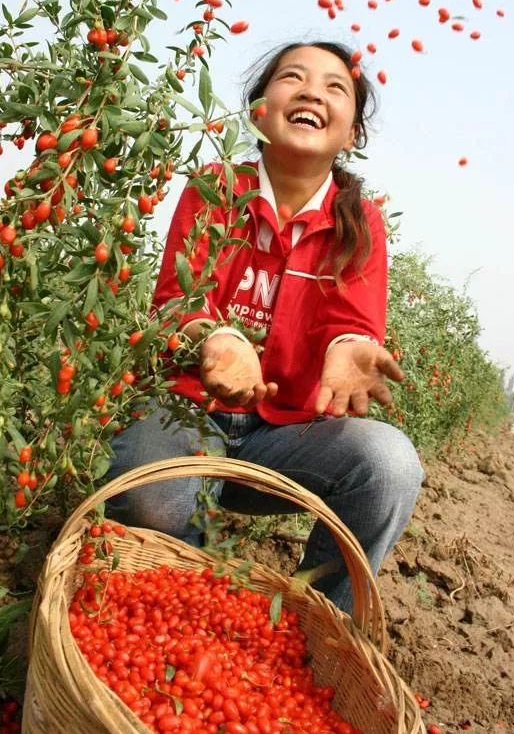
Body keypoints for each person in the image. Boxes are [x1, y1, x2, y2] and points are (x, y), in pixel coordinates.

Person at [106, 41, 424, 614]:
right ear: (258, 109)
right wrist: (217, 338)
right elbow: (179, 301)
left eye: (335, 87)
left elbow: (354, 321)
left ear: (351, 133)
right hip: (186, 416)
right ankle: (173, 610)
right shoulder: (217, 188)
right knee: (154, 506)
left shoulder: (360, 221)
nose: (311, 92)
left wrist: (352, 345)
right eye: (292, 78)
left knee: (390, 464)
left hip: (285, 442)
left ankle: (316, 625)